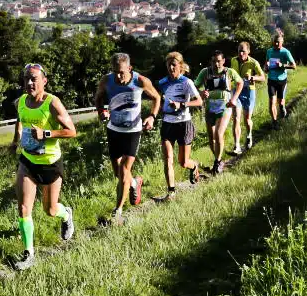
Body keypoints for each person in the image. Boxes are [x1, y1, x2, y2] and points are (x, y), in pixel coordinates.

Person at [12, 63, 79, 270]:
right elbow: (20, 120)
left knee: (50, 210)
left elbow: (71, 131)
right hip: (28, 161)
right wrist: (16, 141)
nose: (30, 82)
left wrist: (46, 134)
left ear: (44, 81)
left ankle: (66, 214)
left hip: (50, 163)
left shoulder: (52, 103)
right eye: (26, 79)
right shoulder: (21, 101)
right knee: (24, 208)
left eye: (34, 79)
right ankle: (28, 253)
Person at [93, 52, 161, 225]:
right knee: (118, 173)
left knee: (124, 169)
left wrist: (152, 116)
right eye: (115, 71)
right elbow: (98, 97)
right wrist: (101, 111)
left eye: (122, 72)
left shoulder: (140, 81)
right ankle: (134, 183)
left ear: (130, 69)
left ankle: (118, 212)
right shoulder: (106, 81)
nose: (118, 76)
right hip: (113, 129)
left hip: (133, 130)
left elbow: (157, 97)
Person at [154, 52, 203, 202]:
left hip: (184, 124)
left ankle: (194, 166)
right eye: (168, 65)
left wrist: (181, 104)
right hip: (168, 123)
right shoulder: (163, 82)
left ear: (180, 66)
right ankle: (171, 192)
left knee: (183, 162)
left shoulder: (187, 82)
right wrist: (159, 109)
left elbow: (199, 101)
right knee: (168, 158)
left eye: (174, 64)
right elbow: (157, 99)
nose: (171, 67)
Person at [195, 50, 244, 175]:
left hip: (224, 105)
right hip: (210, 106)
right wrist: (201, 93)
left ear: (223, 61)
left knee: (218, 133)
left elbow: (240, 83)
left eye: (218, 61)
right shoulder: (205, 72)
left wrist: (234, 99)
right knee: (211, 137)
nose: (216, 64)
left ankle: (216, 163)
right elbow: (194, 86)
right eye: (214, 61)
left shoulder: (229, 72)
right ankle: (219, 159)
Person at [229, 41, 266, 153]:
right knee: (236, 118)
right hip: (237, 92)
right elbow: (230, 75)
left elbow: (263, 77)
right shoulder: (233, 60)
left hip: (249, 91)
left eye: (243, 51)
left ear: (248, 51)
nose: (241, 54)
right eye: (239, 51)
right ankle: (237, 146)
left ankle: (249, 135)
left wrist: (253, 78)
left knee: (247, 119)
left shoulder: (253, 62)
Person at [265, 30, 297, 121]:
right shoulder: (269, 51)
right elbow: (266, 63)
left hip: (282, 80)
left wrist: (282, 65)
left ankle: (282, 108)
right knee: (272, 102)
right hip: (271, 79)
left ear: (282, 42)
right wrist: (266, 68)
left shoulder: (285, 52)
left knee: (281, 102)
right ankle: (274, 122)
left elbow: (294, 66)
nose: (276, 43)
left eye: (278, 42)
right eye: (275, 42)